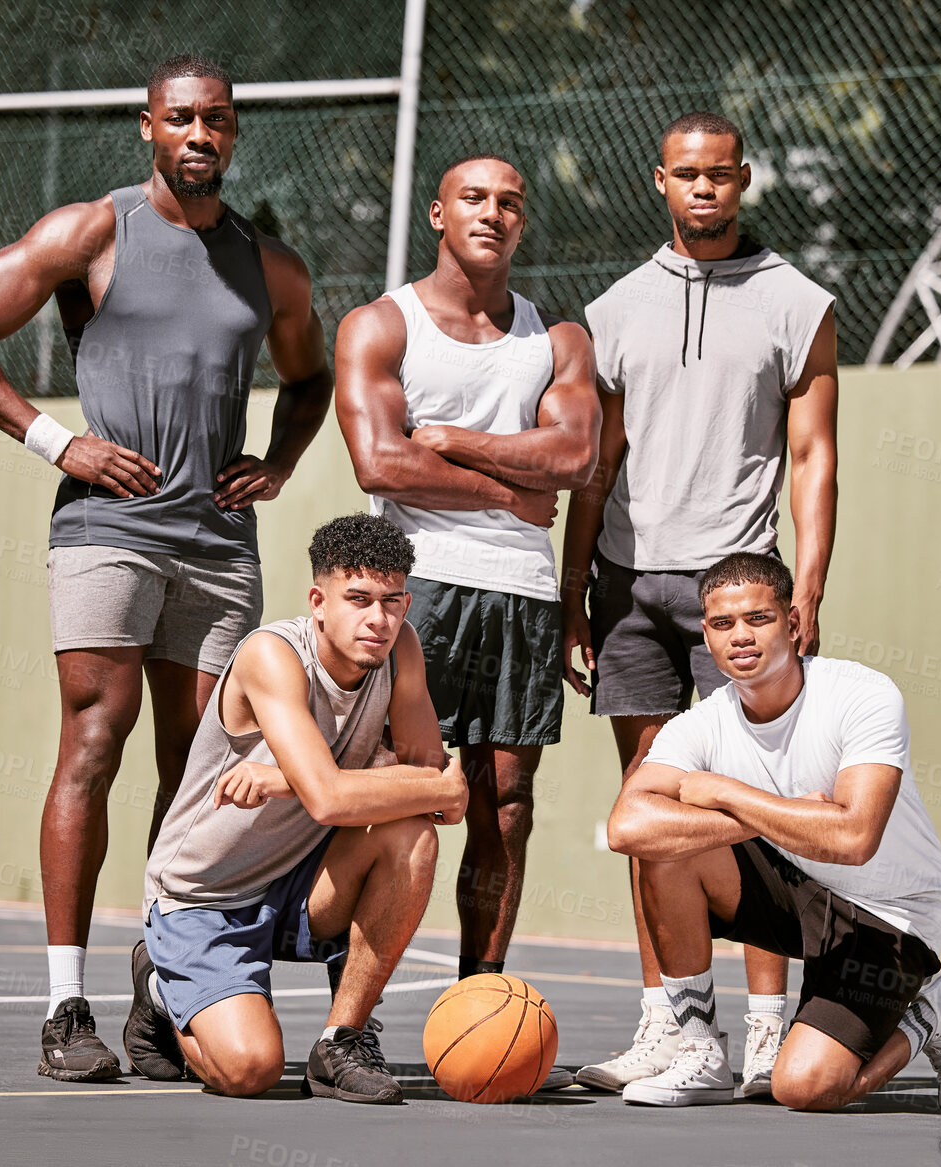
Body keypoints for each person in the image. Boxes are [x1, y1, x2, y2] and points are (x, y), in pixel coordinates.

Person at [0, 54, 333, 1080]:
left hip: (221, 548)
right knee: (94, 744)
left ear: (235, 134)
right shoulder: (91, 231)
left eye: (218, 121)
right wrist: (58, 444)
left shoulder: (271, 268)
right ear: (148, 127)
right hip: (110, 530)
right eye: (182, 118)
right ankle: (67, 1007)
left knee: (201, 771)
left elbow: (310, 375)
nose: (201, 134)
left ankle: (164, 995)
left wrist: (276, 465)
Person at [564, 111, 839, 1097]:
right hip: (630, 586)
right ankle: (673, 1028)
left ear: (745, 179)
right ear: (660, 182)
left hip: (743, 588)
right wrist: (571, 593)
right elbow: (595, 471)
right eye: (687, 176)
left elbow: (813, 458)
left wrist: (804, 589)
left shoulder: (798, 304)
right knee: (650, 812)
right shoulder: (616, 309)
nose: (705, 190)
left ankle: (769, 1031)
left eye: (720, 175)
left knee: (750, 815)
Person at [334, 157, 600, 1013]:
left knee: (507, 806)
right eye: (475, 199)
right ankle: (353, 1021)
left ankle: (477, 1004)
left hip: (520, 592)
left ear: (523, 223)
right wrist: (509, 493)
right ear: (438, 215)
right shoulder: (382, 324)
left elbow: (573, 457)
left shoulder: (557, 339)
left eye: (510, 203)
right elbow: (381, 460)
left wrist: (451, 439)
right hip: (417, 595)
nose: (493, 213)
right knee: (391, 798)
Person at [605, 551, 941, 1112]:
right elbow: (626, 826)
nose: (740, 636)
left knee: (806, 1088)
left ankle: (934, 1013)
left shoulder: (860, 695)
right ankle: (701, 1050)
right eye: (722, 624)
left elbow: (854, 839)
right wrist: (772, 813)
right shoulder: (703, 723)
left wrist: (726, 792)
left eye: (758, 618)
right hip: (794, 891)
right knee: (662, 846)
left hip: (889, 918)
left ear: (792, 622)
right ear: (708, 638)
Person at [122, 513, 467, 1102]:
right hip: (204, 896)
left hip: (300, 880)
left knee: (409, 834)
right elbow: (388, 793)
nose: (378, 620)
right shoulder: (272, 656)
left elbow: (423, 787)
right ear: (318, 600)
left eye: (392, 601)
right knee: (251, 1073)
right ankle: (161, 989)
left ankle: (342, 1039)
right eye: (358, 599)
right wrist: (431, 788)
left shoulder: (401, 648)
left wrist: (290, 781)